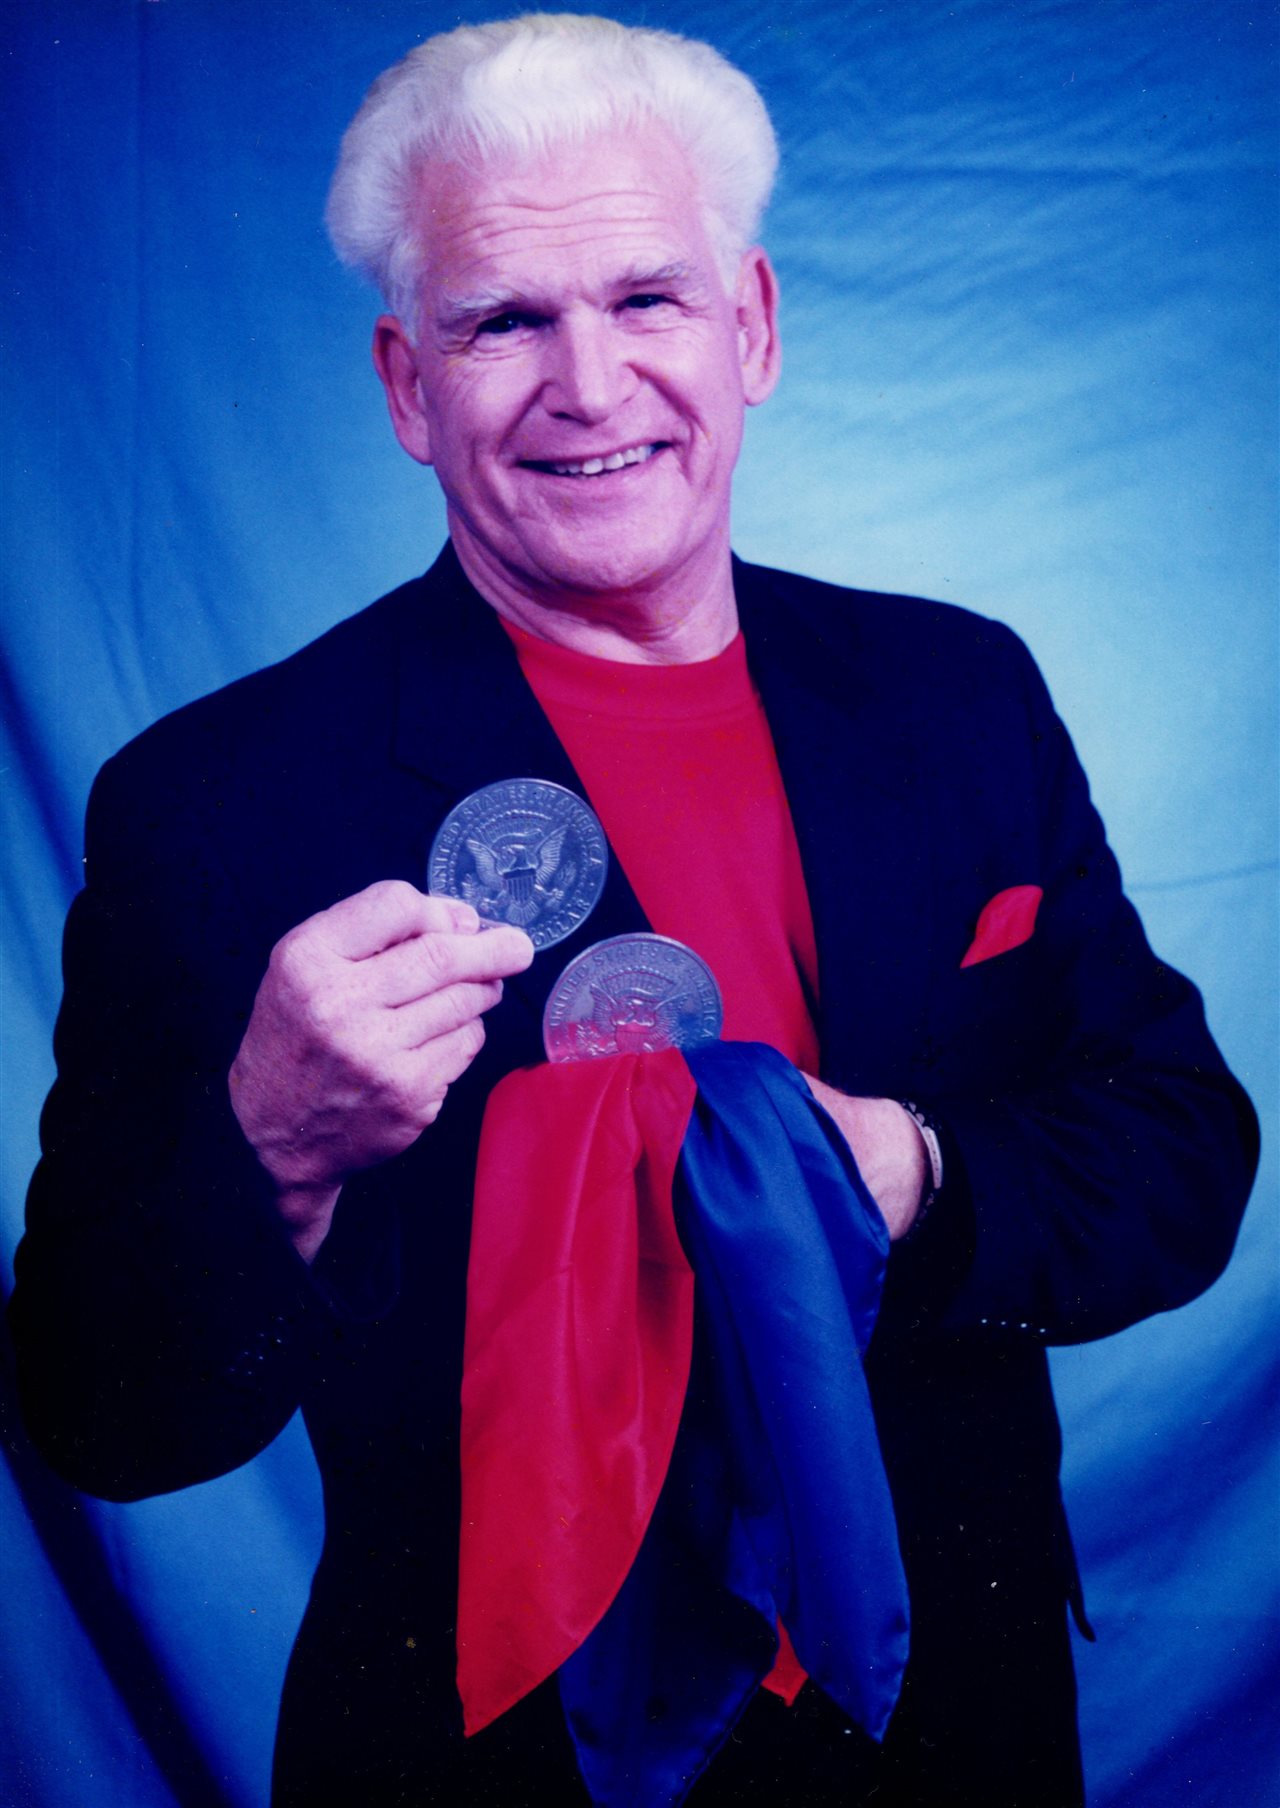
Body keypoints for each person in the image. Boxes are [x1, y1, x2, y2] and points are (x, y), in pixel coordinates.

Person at [9, 14, 1258, 1806]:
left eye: (647, 301)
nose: (590, 386)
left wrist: (907, 1168)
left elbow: (1183, 1153)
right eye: (506, 321)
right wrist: (275, 1142)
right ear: (404, 384)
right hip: (484, 1755)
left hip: (948, 1725)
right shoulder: (216, 804)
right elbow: (100, 1411)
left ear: (749, 328)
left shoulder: (957, 693)